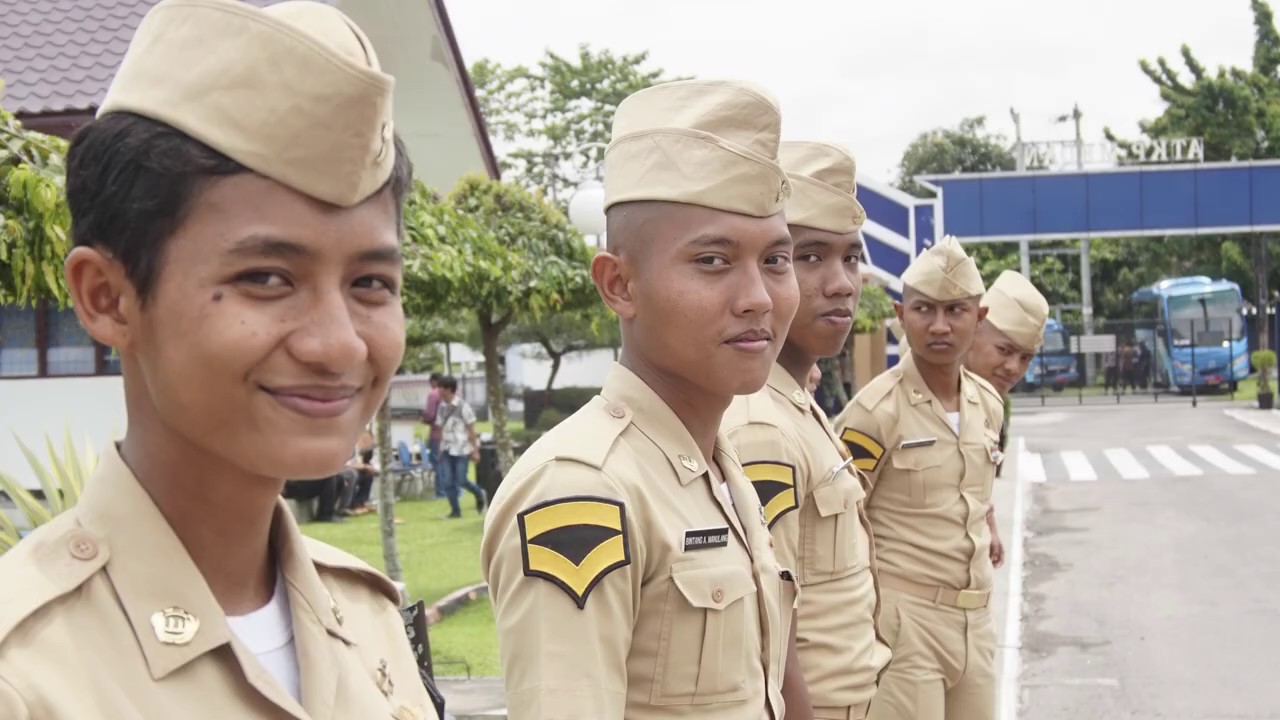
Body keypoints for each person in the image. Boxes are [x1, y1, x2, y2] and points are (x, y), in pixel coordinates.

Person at [0, 2, 440, 718]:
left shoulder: (367, 619)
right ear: (108, 297)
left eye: (370, 284)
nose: (338, 344)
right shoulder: (25, 675)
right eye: (266, 278)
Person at [481, 78, 810, 719]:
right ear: (620, 283)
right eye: (713, 261)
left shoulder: (715, 464)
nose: (759, 298)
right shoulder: (582, 490)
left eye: (776, 260)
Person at [723, 141, 891, 720]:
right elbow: (771, 622)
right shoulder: (759, 422)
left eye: (851, 258)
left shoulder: (796, 402)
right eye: (809, 256)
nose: (843, 283)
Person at [833, 237, 1005, 720]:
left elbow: (975, 492)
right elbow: (836, 520)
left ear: (980, 316)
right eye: (924, 310)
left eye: (956, 311)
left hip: (976, 620)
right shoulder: (873, 412)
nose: (939, 326)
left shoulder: (987, 404)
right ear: (899, 313)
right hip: (905, 622)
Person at [957, 269, 1050, 560]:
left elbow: (972, 480)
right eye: (1004, 350)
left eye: (1025, 358)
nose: (1014, 368)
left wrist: (989, 525)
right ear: (974, 328)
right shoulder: (922, 390)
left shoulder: (988, 403)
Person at [434, 375, 486, 518]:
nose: (439, 391)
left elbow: (471, 430)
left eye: (442, 388)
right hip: (447, 449)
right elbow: (440, 429)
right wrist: (439, 449)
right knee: (448, 482)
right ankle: (455, 511)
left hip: (462, 449)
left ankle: (479, 493)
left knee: (461, 480)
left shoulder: (463, 407)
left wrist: (475, 450)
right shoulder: (441, 408)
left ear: (450, 389)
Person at [422, 372, 446, 498]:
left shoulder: (433, 394)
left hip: (436, 434)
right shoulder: (450, 394)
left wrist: (423, 417)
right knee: (446, 463)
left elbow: (430, 415)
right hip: (448, 434)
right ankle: (451, 490)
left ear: (434, 381)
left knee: (437, 463)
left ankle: (440, 491)